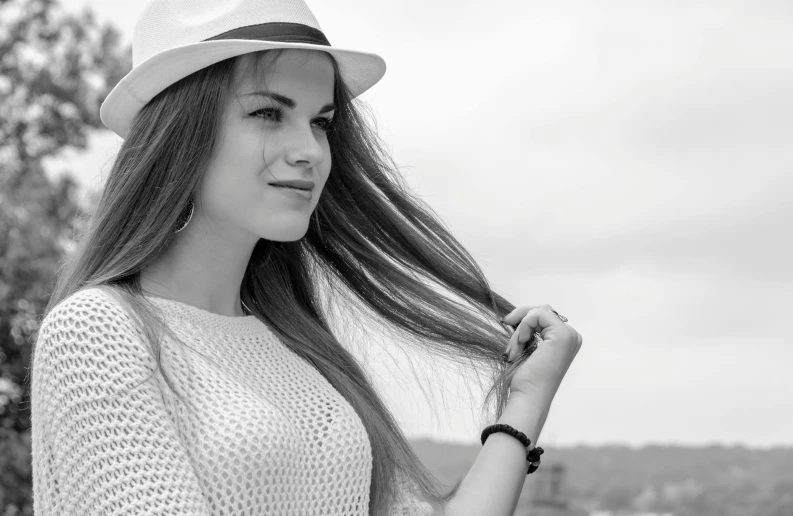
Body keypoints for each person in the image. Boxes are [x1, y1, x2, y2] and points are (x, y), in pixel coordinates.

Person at [28, 0, 583, 514]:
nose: (311, 151)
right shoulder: (97, 332)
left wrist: (527, 401)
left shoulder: (299, 349)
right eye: (269, 113)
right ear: (181, 132)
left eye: (321, 122)